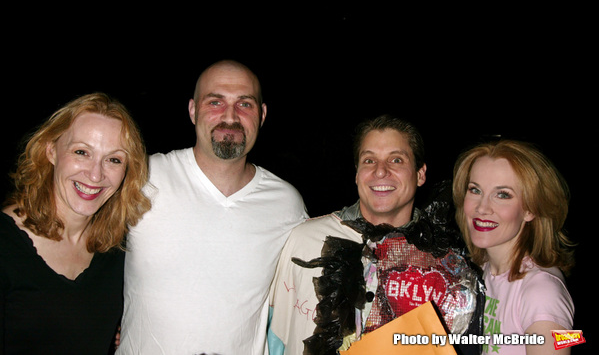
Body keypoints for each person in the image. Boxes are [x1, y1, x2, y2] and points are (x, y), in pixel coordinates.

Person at [117, 60, 308, 354]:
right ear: (193, 110)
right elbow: (84, 245)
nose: (230, 116)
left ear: (263, 114)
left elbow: (300, 297)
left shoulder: (285, 203)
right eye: (215, 102)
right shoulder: (145, 177)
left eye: (245, 104)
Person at [268, 115, 484, 355]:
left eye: (396, 160)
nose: (380, 171)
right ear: (357, 174)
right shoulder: (304, 240)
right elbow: (275, 339)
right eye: (369, 160)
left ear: (420, 174)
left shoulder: (448, 263)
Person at [0, 93, 151, 354]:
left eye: (114, 159)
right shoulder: (4, 244)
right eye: (81, 152)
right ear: (51, 151)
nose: (95, 174)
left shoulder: (116, 247)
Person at [452, 139, 575, 355]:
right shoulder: (479, 272)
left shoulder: (542, 291)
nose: (482, 207)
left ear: (530, 209)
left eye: (502, 194)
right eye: (475, 190)